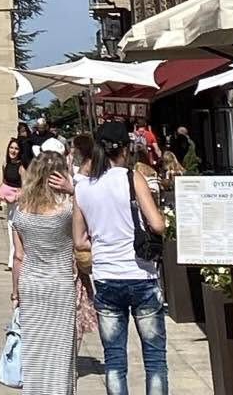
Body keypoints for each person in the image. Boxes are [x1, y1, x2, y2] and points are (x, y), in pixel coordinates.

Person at [73, 119, 168, 395]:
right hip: (140, 273)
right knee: (155, 358)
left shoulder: (83, 187)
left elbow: (79, 240)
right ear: (125, 149)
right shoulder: (131, 177)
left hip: (106, 275)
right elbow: (157, 224)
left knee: (114, 359)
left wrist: (103, 241)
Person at [11, 150, 78, 395]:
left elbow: (18, 256)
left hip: (31, 284)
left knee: (35, 351)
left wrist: (15, 294)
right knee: (60, 354)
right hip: (60, 284)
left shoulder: (20, 211)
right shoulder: (67, 210)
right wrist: (74, 190)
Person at [0, 136, 25, 270]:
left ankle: (16, 260)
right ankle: (11, 260)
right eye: (11, 148)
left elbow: (25, 187)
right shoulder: (5, 164)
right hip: (9, 204)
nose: (13, 151)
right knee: (10, 230)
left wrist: (15, 197)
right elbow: (4, 182)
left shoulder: (21, 168)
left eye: (16, 149)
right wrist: (1, 194)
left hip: (19, 204)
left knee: (17, 230)